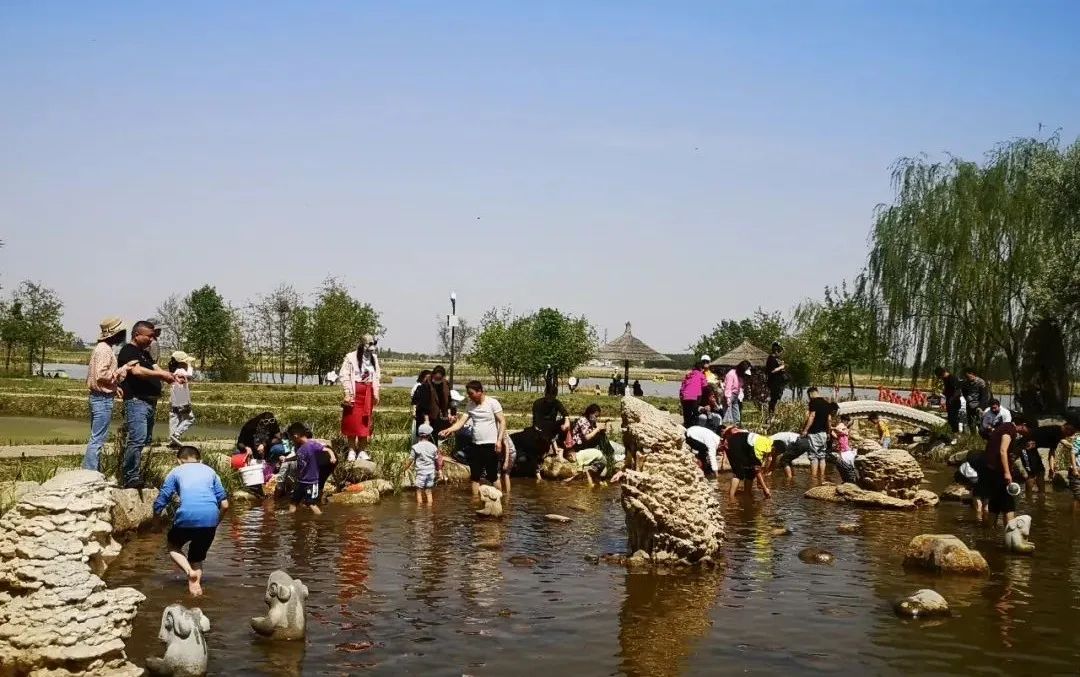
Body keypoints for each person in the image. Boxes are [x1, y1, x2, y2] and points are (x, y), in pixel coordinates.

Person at [152, 445, 228, 596]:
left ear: (179, 460)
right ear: (200, 460)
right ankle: (195, 587)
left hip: (187, 516)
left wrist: (156, 525)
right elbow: (225, 505)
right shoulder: (211, 471)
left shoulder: (176, 471)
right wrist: (215, 524)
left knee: (173, 545)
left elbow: (160, 502)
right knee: (197, 557)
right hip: (210, 519)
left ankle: (189, 571)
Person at [118, 321, 175, 488]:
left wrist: (172, 376)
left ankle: (135, 474)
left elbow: (157, 369)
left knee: (143, 440)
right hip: (137, 401)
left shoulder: (144, 354)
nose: (152, 339)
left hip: (149, 402)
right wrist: (162, 376)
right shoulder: (128, 350)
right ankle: (130, 478)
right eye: (149, 336)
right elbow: (137, 371)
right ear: (137, 335)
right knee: (136, 439)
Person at [81, 316, 137, 471]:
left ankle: (92, 469)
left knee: (96, 436)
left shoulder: (102, 348)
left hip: (98, 396)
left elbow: (98, 377)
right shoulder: (105, 350)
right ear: (115, 334)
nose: (123, 335)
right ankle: (90, 471)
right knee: (98, 439)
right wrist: (122, 370)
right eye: (122, 332)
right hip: (102, 399)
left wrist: (114, 386)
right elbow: (101, 374)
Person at [439, 381, 505, 496]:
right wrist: (449, 430)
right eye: (468, 394)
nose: (469, 396)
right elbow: (461, 422)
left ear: (480, 391)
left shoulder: (492, 403)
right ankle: (475, 501)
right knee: (475, 476)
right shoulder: (470, 405)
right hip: (475, 445)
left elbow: (502, 421)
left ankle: (501, 499)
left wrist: (499, 441)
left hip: (490, 444)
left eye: (471, 393)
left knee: (493, 476)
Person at [980, 414, 1031, 526]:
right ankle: (1010, 533)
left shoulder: (1003, 427)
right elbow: (1003, 450)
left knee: (995, 504)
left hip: (991, 470)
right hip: (999, 471)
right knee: (1009, 505)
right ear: (1023, 425)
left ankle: (988, 532)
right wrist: (1007, 473)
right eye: (1029, 429)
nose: (1028, 433)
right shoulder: (1010, 429)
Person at [340, 334, 380, 459]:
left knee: (365, 422)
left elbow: (376, 376)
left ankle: (362, 450)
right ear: (363, 344)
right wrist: (347, 393)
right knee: (352, 422)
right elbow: (344, 375)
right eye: (369, 344)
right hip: (354, 394)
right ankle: (351, 450)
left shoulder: (374, 358)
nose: (372, 347)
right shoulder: (351, 357)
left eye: (373, 344)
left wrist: (376, 392)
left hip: (367, 394)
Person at [721, 427, 772, 500]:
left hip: (743, 444)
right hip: (734, 443)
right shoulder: (761, 448)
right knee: (738, 473)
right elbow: (757, 469)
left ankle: (747, 495)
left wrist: (760, 482)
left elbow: (760, 466)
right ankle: (731, 498)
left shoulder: (768, 444)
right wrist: (765, 488)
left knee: (750, 473)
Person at [287, 422, 324, 515]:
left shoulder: (312, 444)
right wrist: (287, 459)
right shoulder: (299, 447)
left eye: (291, 438)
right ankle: (290, 518)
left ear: (295, 436)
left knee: (311, 503)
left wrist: (332, 456)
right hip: (300, 481)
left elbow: (326, 449)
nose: (291, 440)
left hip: (311, 482)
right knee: (293, 502)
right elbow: (298, 457)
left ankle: (321, 520)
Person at [799, 387, 833, 481]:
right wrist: (828, 432)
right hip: (823, 433)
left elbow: (812, 416)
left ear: (810, 394)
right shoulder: (827, 403)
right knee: (822, 456)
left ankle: (813, 480)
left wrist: (805, 430)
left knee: (813, 457)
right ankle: (822, 478)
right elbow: (829, 420)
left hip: (814, 433)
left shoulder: (813, 402)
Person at [531, 383, 570, 460]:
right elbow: (538, 421)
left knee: (567, 423)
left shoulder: (556, 403)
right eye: (549, 394)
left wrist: (567, 422)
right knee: (544, 429)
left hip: (552, 426)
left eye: (553, 395)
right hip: (540, 426)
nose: (550, 396)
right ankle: (553, 447)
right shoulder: (538, 403)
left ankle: (564, 446)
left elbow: (565, 414)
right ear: (545, 393)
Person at [414, 365, 452, 439]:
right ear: (433, 375)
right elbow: (423, 405)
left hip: (437, 416)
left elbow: (448, 400)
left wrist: (449, 413)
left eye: (439, 378)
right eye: (436, 378)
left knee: (435, 436)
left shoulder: (445, 384)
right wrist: (426, 420)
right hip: (424, 416)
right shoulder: (425, 385)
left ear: (443, 377)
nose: (437, 380)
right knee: (425, 437)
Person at [167, 351, 196, 448]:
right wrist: (190, 366)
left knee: (175, 418)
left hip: (174, 397)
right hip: (181, 397)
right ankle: (176, 434)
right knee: (190, 418)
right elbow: (190, 375)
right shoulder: (181, 371)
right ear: (182, 362)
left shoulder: (174, 371)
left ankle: (173, 441)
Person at [407, 423, 438, 505]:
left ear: (419, 435)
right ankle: (429, 507)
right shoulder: (433, 447)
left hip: (421, 473)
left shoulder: (415, 447)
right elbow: (436, 460)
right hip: (431, 472)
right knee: (428, 491)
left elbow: (410, 459)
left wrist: (404, 468)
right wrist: (439, 469)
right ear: (429, 436)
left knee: (419, 491)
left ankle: (419, 509)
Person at [679, 357, 710, 427]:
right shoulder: (701, 375)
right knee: (695, 412)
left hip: (685, 396)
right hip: (695, 397)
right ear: (701, 368)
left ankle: (686, 426)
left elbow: (682, 386)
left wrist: (681, 397)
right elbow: (705, 387)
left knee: (686, 414)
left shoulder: (689, 375)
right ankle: (693, 426)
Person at [935, 367, 962, 436]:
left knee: (954, 418)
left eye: (940, 376)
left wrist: (952, 399)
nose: (940, 378)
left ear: (943, 373)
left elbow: (958, 391)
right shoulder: (945, 379)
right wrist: (942, 394)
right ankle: (951, 433)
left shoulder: (953, 378)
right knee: (950, 418)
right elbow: (947, 390)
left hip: (955, 401)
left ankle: (956, 433)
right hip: (949, 400)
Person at [961, 367, 991, 432]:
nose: (967, 378)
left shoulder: (981, 382)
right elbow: (964, 392)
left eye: (968, 376)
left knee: (980, 422)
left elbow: (984, 396)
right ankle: (973, 435)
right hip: (970, 403)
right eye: (966, 376)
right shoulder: (965, 383)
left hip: (979, 404)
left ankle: (982, 434)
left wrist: (981, 407)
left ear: (972, 374)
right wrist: (967, 398)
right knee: (970, 421)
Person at [830, 414, 858, 483]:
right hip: (843, 447)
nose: (847, 422)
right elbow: (837, 429)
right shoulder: (841, 425)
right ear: (844, 420)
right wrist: (843, 431)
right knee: (848, 459)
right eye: (847, 421)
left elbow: (836, 434)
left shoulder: (844, 426)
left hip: (844, 446)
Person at [765, 342, 787, 414]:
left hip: (778, 382)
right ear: (776, 351)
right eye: (780, 352)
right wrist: (781, 367)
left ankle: (773, 413)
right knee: (774, 399)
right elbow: (771, 371)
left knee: (776, 399)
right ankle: (771, 414)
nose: (780, 354)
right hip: (774, 382)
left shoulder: (776, 359)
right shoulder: (771, 359)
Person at [497, 427, 516, 493]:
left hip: (510, 453)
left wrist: (506, 461)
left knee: (506, 474)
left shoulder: (500, 429)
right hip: (502, 453)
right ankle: (502, 492)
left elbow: (506, 446)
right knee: (500, 474)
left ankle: (507, 494)